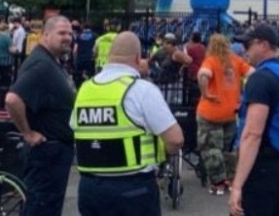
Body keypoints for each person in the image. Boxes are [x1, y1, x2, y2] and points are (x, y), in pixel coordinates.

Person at [72, 32, 184, 216]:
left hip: (89, 188)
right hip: (133, 188)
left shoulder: (84, 90)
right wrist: (163, 154)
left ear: (108, 57)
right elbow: (176, 139)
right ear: (137, 58)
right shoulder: (141, 90)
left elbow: (76, 128)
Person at [229, 25, 279, 216]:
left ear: (263, 45)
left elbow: (253, 134)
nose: (244, 50)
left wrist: (237, 185)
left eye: (248, 44)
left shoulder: (261, 78)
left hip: (264, 167)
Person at [5, 16, 76, 216]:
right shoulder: (41, 65)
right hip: (47, 152)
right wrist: (27, 133)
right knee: (40, 208)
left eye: (70, 33)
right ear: (45, 35)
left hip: (56, 153)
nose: (68, 38)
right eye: (62, 33)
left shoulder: (52, 62)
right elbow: (12, 99)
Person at [197, 33, 251, 195]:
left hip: (210, 112)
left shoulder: (211, 61)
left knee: (211, 148)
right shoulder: (236, 61)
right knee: (227, 150)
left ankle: (217, 183)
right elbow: (253, 73)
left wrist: (205, 93)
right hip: (230, 113)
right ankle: (230, 179)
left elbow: (203, 75)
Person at [149, 33, 192, 103]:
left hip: (170, 83)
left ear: (170, 45)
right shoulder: (163, 52)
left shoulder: (176, 53)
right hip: (163, 83)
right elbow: (150, 60)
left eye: (165, 44)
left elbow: (189, 60)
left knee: (167, 103)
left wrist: (183, 67)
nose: (163, 46)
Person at [72, 21, 97, 88]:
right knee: (90, 75)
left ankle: (78, 87)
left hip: (80, 59)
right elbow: (94, 49)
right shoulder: (94, 35)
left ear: (83, 28)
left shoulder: (79, 35)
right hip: (90, 59)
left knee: (78, 75)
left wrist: (75, 59)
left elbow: (75, 50)